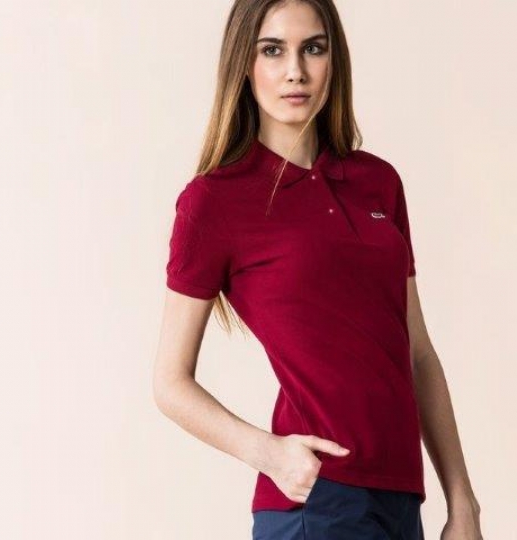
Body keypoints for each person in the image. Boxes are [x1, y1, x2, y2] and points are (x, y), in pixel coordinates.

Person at [153, 1, 483, 538]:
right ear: (244, 65)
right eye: (272, 50)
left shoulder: (378, 183)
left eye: (313, 48)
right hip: (317, 501)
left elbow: (417, 352)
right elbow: (170, 382)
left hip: (402, 499)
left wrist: (462, 500)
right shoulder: (214, 201)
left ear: (335, 60)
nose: (295, 71)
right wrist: (268, 454)